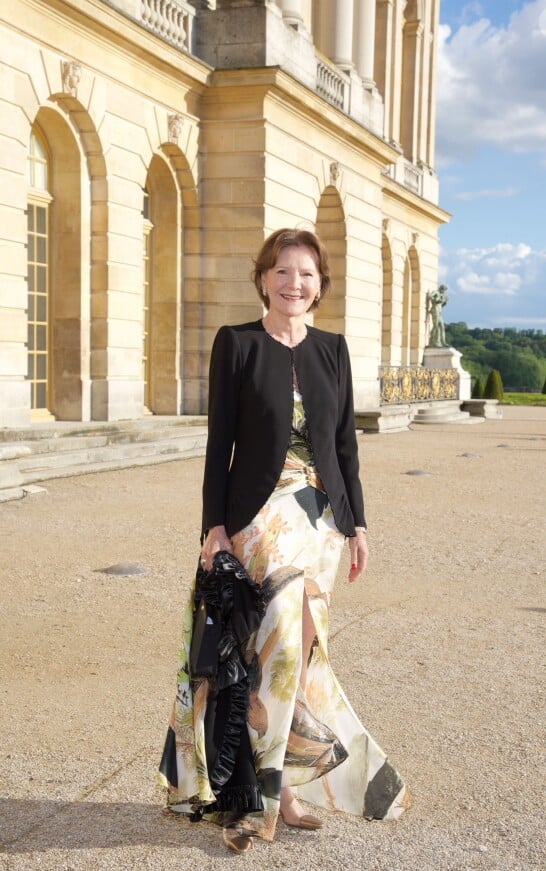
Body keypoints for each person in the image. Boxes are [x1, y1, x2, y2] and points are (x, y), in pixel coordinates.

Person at [158, 228, 408, 853]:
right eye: (283, 271)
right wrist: (214, 528)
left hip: (321, 523)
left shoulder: (333, 351)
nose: (295, 284)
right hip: (260, 521)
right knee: (276, 651)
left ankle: (283, 789)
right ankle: (261, 800)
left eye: (307, 274)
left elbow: (344, 446)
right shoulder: (236, 344)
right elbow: (221, 445)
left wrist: (357, 524)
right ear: (264, 278)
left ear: (320, 285)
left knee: (300, 654)